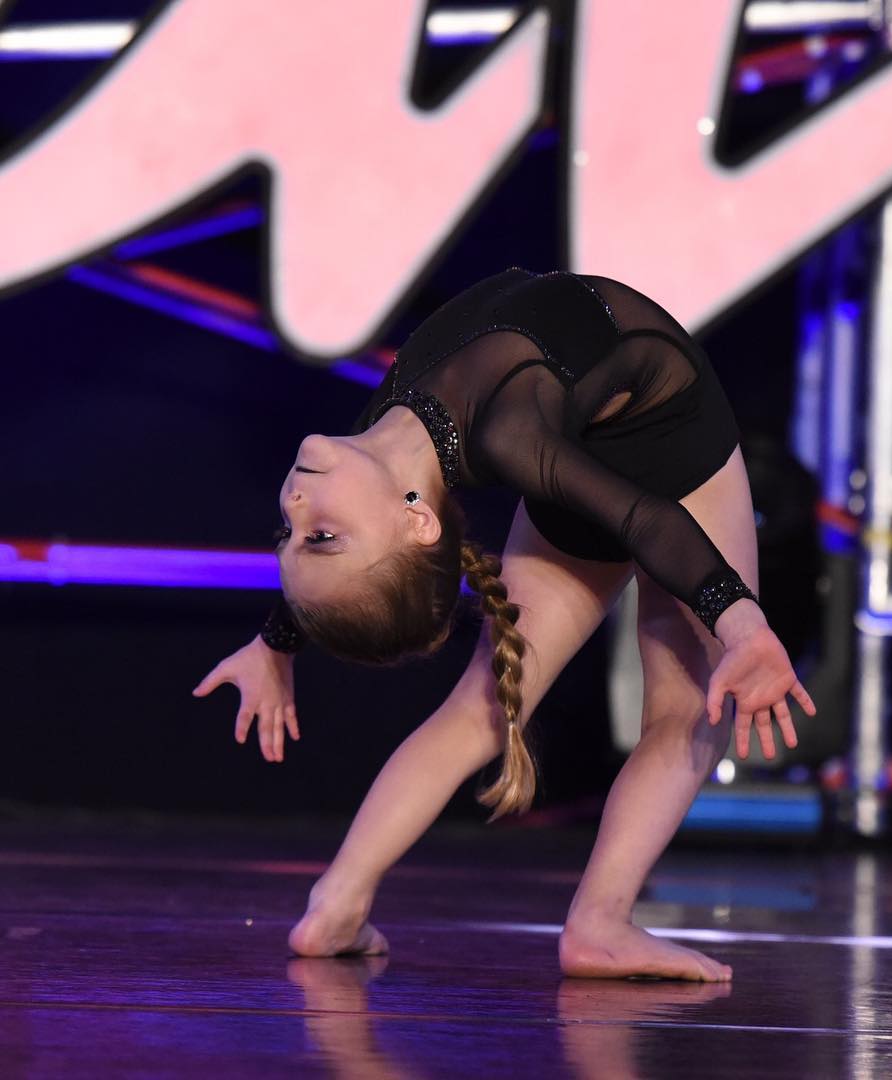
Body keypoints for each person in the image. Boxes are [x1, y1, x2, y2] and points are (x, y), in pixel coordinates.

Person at [192, 266, 816, 981]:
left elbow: (353, 571)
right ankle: (599, 923)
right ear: (416, 522)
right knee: (686, 709)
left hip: (587, 445)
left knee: (480, 712)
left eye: (290, 535)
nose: (296, 507)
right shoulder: (508, 435)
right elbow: (648, 521)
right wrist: (744, 628)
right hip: (672, 438)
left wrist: (276, 640)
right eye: (322, 536)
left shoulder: (382, 440)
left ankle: (337, 903)